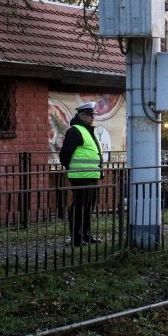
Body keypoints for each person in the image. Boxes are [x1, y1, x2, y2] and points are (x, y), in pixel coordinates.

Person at [59, 102, 104, 246]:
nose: (93, 118)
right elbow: (65, 154)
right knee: (79, 206)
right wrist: (71, 168)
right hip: (80, 176)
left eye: (93, 115)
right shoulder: (75, 130)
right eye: (90, 115)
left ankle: (86, 235)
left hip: (91, 175)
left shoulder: (87, 130)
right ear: (81, 115)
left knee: (88, 206)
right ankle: (77, 238)